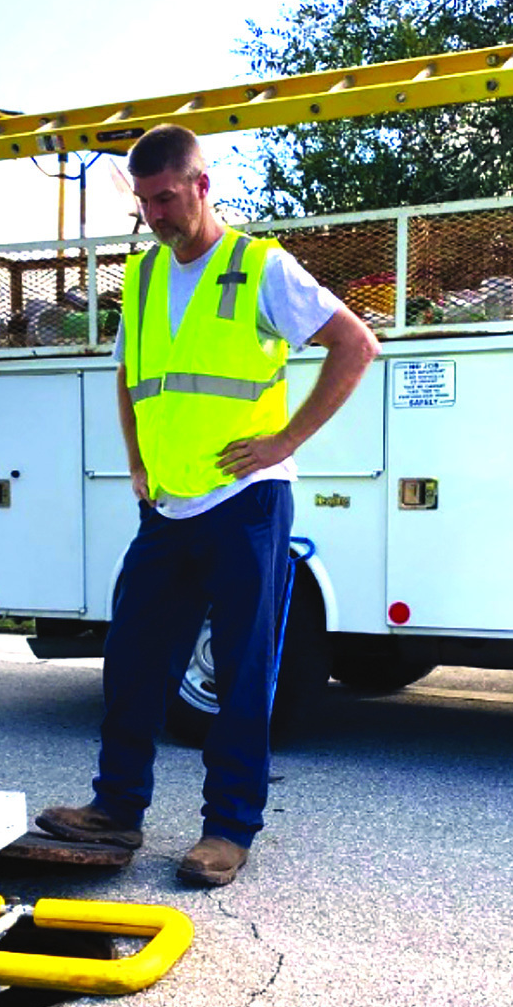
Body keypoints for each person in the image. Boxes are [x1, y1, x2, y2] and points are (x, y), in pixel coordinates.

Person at [36, 125, 379, 887]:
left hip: (248, 502)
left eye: (166, 198)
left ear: (202, 185)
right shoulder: (142, 278)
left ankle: (228, 828)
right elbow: (130, 377)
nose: (155, 214)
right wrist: (137, 463)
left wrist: (284, 440)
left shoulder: (259, 267)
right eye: (144, 201)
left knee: (242, 669)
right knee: (131, 659)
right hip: (168, 508)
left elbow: (356, 345)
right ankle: (117, 806)